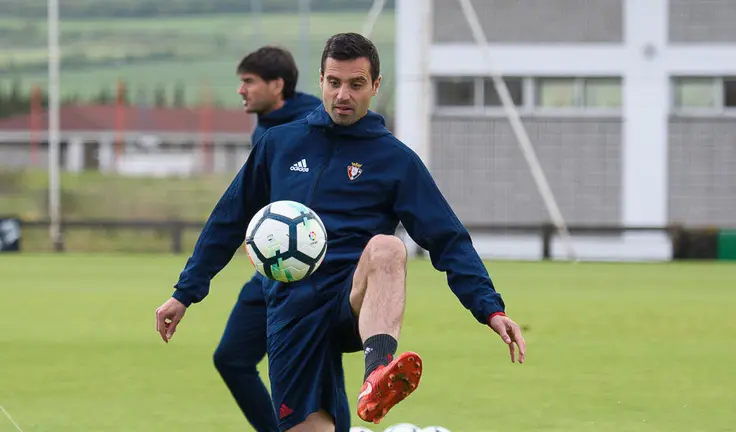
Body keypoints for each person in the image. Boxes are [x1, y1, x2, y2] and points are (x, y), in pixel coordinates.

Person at [155, 33, 526, 432]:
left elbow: (447, 238)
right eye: (334, 82)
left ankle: (379, 372)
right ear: (320, 82)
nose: (343, 94)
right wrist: (184, 293)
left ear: (376, 86)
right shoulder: (279, 144)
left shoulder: (395, 160)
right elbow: (228, 220)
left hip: (352, 299)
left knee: (387, 248)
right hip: (290, 306)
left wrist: (489, 306)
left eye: (356, 84)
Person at [156, 46, 320, 432]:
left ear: (277, 85)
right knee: (231, 357)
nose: (240, 90)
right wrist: (186, 291)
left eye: (248, 81)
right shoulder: (267, 128)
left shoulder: (315, 125)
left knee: (319, 372)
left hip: (320, 277)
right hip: (271, 269)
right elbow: (234, 213)